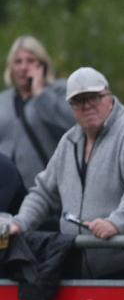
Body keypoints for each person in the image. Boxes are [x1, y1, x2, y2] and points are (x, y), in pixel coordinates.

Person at [9, 66, 124, 279]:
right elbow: (43, 192)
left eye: (93, 97)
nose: (86, 106)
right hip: (77, 268)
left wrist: (116, 222)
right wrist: (19, 224)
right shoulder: (69, 141)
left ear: (108, 96)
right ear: (70, 107)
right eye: (78, 101)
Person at [0, 35, 75, 190]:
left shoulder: (60, 90)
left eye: (30, 61)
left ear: (42, 65)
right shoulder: (3, 100)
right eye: (18, 61)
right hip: (8, 190)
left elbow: (72, 126)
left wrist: (40, 94)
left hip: (48, 189)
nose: (23, 67)